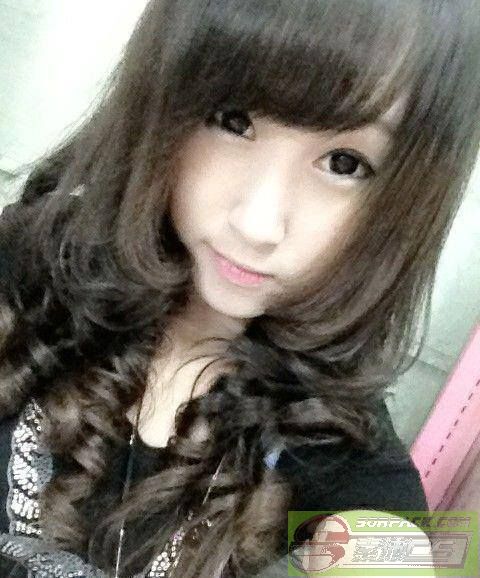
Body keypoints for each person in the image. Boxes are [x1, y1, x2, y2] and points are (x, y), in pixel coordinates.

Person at [0, 0, 478, 576]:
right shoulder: (24, 270)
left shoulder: (332, 439)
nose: (257, 224)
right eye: (234, 121)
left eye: (344, 163)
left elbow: (399, 547)